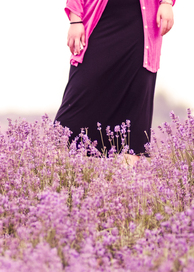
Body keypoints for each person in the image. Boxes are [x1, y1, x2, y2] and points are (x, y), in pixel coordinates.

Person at [54, 0, 174, 162]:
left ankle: (125, 184)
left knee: (133, 118)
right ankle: (58, 177)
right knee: (71, 116)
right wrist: (76, 20)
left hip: (140, 31)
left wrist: (166, 3)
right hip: (99, 24)